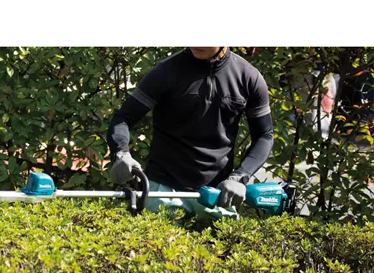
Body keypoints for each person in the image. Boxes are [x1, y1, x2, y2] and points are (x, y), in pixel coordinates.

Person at [107, 47, 274, 221]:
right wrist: (121, 153)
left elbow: (264, 135)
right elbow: (123, 118)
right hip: (163, 191)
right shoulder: (166, 70)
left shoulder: (249, 77)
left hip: (217, 195)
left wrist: (240, 177)